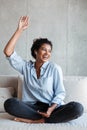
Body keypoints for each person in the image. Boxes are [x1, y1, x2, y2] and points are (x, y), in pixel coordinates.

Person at [3, 16, 84, 123]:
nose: (47, 53)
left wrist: (51, 109)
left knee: (77, 108)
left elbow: (60, 92)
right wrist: (19, 30)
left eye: (49, 51)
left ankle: (37, 121)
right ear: (36, 51)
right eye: (44, 50)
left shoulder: (54, 68)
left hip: (52, 108)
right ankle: (43, 119)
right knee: (10, 103)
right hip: (32, 109)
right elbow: (8, 52)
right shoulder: (26, 67)